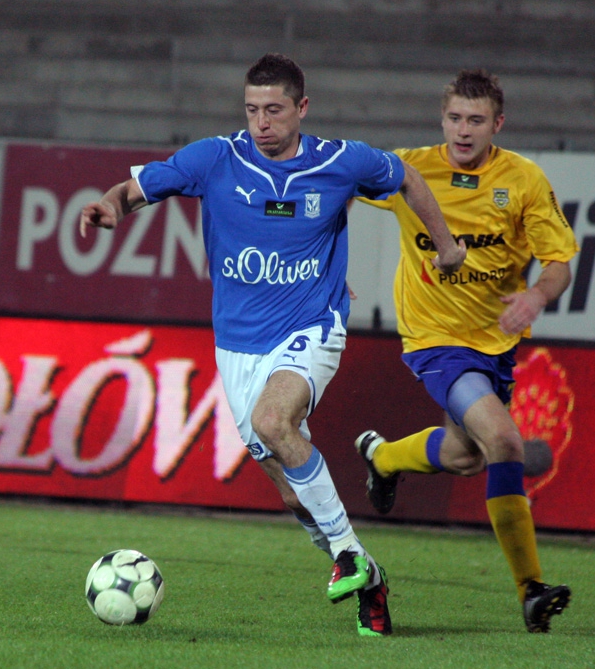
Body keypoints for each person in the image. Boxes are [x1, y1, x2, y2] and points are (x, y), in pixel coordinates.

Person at [79, 53, 466, 637]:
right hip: (236, 347)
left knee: (272, 420)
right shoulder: (215, 158)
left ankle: (348, 556)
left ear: (301, 109)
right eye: (252, 109)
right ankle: (371, 578)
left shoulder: (339, 162)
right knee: (291, 493)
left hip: (312, 325)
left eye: (275, 110)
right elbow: (134, 189)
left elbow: (407, 177)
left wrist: (446, 243)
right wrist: (110, 205)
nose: (262, 122)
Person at [353, 69, 578, 633]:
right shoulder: (411, 167)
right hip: (434, 340)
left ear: (497, 124)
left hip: (495, 344)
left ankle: (381, 458)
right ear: (442, 119)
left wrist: (536, 295)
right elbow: (335, 188)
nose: (463, 130)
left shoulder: (523, 181)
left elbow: (560, 263)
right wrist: (329, 275)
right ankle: (531, 588)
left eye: (476, 120)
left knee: (465, 455)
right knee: (504, 440)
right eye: (454, 117)